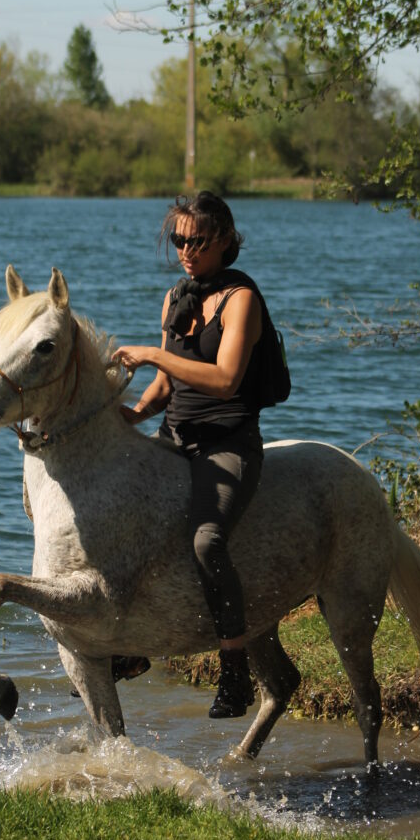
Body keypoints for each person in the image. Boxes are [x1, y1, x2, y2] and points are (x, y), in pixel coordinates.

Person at [112, 190, 268, 719]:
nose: (185, 250)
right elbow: (163, 385)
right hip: (175, 438)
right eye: (178, 240)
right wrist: (132, 415)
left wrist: (155, 352)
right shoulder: (176, 295)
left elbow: (224, 380)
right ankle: (131, 650)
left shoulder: (241, 299)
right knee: (123, 519)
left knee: (205, 540)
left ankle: (235, 670)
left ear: (224, 239)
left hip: (227, 443)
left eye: (195, 240)